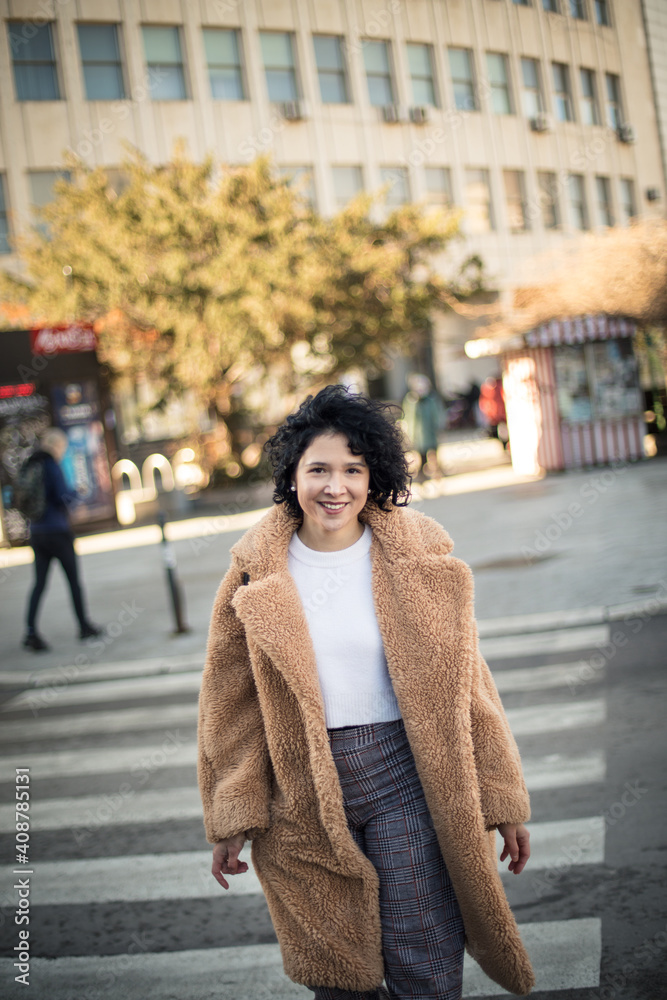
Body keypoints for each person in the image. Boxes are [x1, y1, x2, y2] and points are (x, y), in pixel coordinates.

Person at [197, 385, 534, 1000]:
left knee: (424, 954)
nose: (336, 487)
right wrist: (231, 813)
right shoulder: (254, 572)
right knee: (340, 975)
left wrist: (501, 794)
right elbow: (230, 705)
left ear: (373, 474)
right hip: (299, 792)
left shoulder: (416, 557)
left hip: (407, 777)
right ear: (291, 475)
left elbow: (470, 687)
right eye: (318, 468)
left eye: (353, 469)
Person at [22, 427, 101, 652]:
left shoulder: (31, 463)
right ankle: (84, 627)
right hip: (57, 530)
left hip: (36, 532)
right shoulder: (51, 465)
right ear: (57, 445)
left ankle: (30, 632)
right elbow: (61, 496)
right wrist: (77, 493)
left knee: (39, 583)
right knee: (73, 581)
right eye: (63, 447)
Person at [401, 374, 443, 479]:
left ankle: (436, 470)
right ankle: (422, 472)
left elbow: (437, 414)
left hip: (430, 431)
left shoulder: (431, 399)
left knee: (433, 451)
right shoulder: (410, 400)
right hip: (417, 432)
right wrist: (407, 430)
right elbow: (408, 416)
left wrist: (439, 426)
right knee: (420, 453)